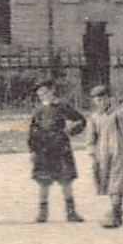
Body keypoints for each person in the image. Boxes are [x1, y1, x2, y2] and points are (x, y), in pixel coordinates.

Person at [28, 78, 86, 223]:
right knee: (43, 181)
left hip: (61, 147)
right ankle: (43, 213)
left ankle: (71, 212)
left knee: (66, 180)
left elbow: (81, 120)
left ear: (52, 90)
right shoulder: (37, 110)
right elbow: (32, 131)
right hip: (44, 150)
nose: (42, 95)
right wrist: (33, 150)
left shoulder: (63, 106)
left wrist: (71, 131)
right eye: (40, 93)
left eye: (45, 91)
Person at [86, 85, 123, 229]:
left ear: (110, 98)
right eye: (97, 100)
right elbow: (91, 137)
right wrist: (91, 152)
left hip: (118, 151)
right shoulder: (94, 117)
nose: (101, 102)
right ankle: (117, 211)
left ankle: (116, 213)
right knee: (108, 182)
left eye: (103, 98)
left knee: (117, 181)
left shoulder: (120, 114)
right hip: (102, 154)